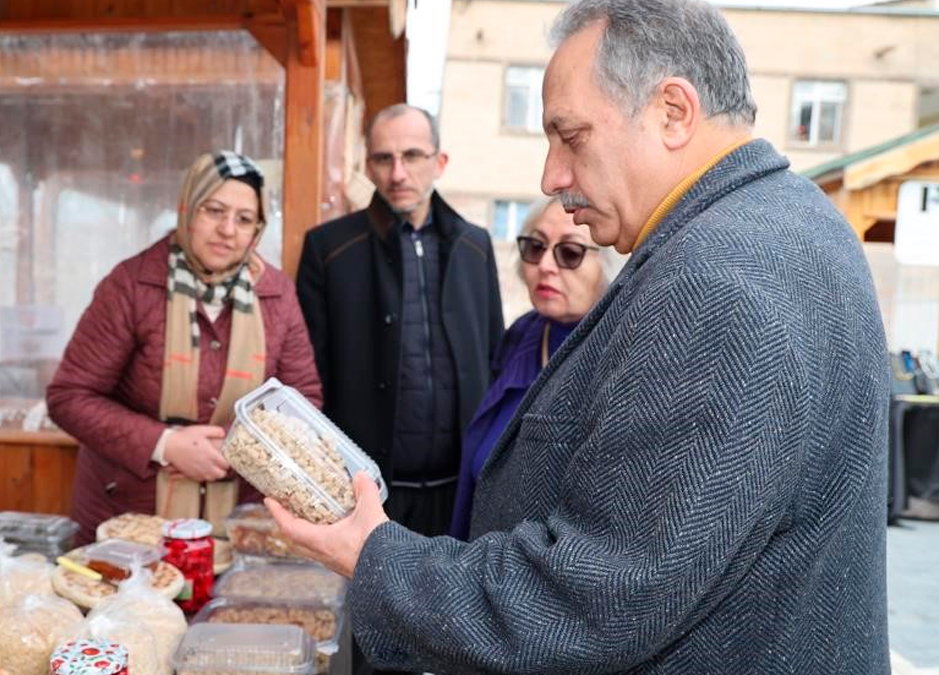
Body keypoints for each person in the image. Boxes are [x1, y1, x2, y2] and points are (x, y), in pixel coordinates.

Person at [269, 1, 892, 673]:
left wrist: (375, 557)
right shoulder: (799, 221)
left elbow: (591, 602)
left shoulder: (716, 279)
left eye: (571, 136)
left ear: (673, 112)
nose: (551, 177)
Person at [47, 151, 321, 545]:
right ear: (187, 210)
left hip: (236, 524)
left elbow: (302, 400)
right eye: (214, 210)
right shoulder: (131, 285)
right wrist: (167, 445)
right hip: (130, 522)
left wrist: (238, 447)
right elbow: (69, 396)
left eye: (244, 219)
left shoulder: (277, 294)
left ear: (256, 231)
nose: (228, 229)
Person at [296, 103, 504, 538]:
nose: (398, 173)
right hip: (365, 494)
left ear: (439, 162)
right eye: (383, 159)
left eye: (412, 156)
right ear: (367, 166)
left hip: (459, 496)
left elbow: (492, 360)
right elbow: (309, 380)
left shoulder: (475, 247)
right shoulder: (329, 250)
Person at [450, 198, 626, 540]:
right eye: (535, 246)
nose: (545, 265)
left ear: (609, 265)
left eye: (570, 253)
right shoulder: (524, 334)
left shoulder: (619, 356)